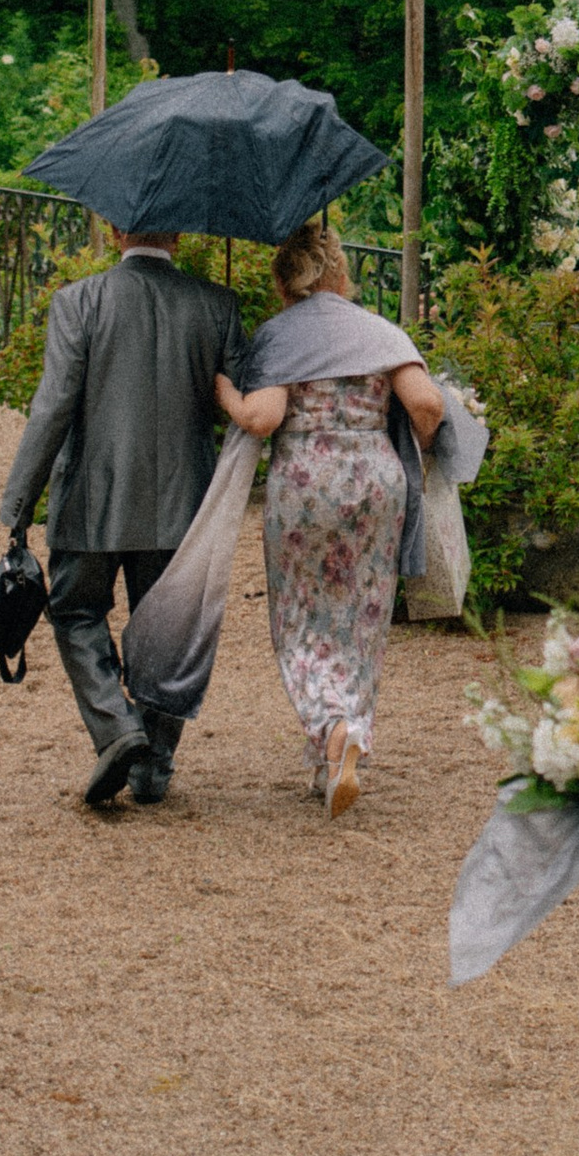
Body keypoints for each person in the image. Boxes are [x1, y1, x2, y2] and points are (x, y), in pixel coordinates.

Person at [0, 227, 249, 808]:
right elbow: (248, 397)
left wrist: (19, 505)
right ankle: (153, 767)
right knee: (169, 635)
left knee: (75, 610)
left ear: (114, 232)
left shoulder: (78, 301)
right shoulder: (216, 303)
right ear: (179, 236)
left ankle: (117, 728)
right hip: (184, 503)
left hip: (92, 497)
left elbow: (54, 403)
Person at [215, 228, 449, 814]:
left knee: (299, 616)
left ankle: (330, 728)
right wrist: (411, 448)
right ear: (341, 275)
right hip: (376, 483)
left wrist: (222, 389)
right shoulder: (381, 332)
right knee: (363, 617)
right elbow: (427, 404)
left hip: (305, 488)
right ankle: (346, 740)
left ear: (283, 283)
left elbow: (263, 417)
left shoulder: (278, 336)